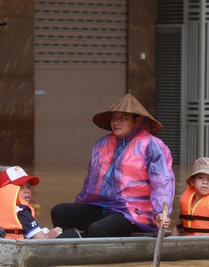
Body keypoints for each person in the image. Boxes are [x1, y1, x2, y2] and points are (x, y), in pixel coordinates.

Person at [51, 93, 175, 237]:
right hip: (102, 208)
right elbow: (89, 184)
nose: (116, 122)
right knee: (60, 212)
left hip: (133, 213)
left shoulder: (151, 145)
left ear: (137, 120)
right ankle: (74, 243)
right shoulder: (102, 145)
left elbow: (162, 183)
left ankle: (90, 242)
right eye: (114, 117)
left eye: (122, 118)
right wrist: (79, 206)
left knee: (98, 230)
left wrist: (160, 212)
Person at [0, 166, 63, 239]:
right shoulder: (22, 211)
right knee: (70, 233)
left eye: (28, 186)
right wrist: (55, 231)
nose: (27, 191)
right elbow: (42, 239)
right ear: (7, 191)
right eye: (21, 187)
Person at [172, 157, 209, 236]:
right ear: (192, 181)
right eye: (200, 178)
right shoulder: (186, 203)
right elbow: (177, 227)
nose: (205, 182)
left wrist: (207, 240)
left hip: (207, 246)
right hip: (187, 245)